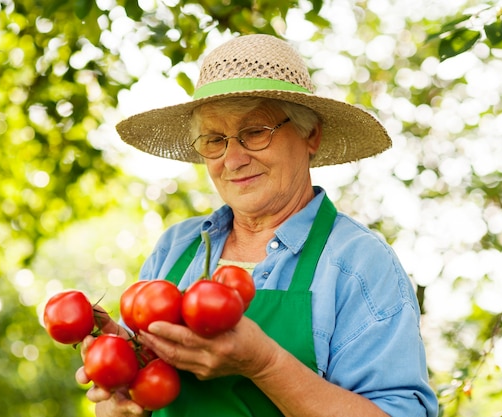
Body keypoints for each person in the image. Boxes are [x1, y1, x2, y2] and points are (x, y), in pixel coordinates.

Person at [76, 34, 439, 417]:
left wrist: (264, 364)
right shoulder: (177, 247)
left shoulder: (359, 264)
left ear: (309, 134)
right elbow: (138, 397)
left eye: (254, 132)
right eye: (215, 140)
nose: (233, 160)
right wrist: (121, 392)